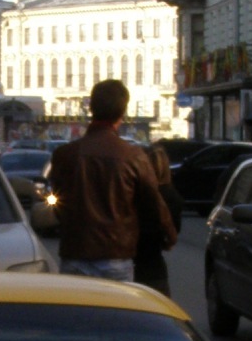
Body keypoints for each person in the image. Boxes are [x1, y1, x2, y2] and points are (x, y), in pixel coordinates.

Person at [48, 79, 177, 281]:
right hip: (116, 255)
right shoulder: (133, 156)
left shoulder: (64, 154)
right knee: (118, 302)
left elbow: (57, 201)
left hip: (75, 253)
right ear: (122, 113)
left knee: (76, 303)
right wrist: (168, 233)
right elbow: (153, 202)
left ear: (91, 108)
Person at [132, 142, 184, 296]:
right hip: (153, 265)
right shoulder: (172, 196)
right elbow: (171, 236)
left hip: (129, 261)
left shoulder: (134, 192)